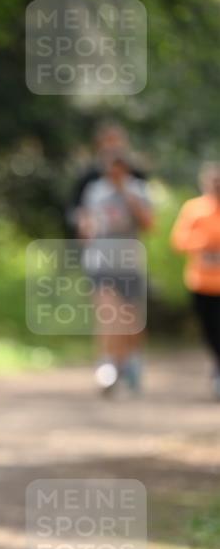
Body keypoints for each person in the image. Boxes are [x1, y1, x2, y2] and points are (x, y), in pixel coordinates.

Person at [75, 151, 154, 394]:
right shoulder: (94, 191)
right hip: (101, 262)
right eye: (110, 169)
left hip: (129, 263)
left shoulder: (139, 189)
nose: (114, 174)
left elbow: (149, 224)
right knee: (109, 315)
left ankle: (131, 361)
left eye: (119, 169)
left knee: (131, 320)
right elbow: (85, 223)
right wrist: (85, 230)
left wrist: (126, 195)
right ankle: (108, 364)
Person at [171, 162, 220, 399]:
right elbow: (179, 241)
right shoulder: (194, 209)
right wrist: (202, 243)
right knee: (210, 330)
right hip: (202, 283)